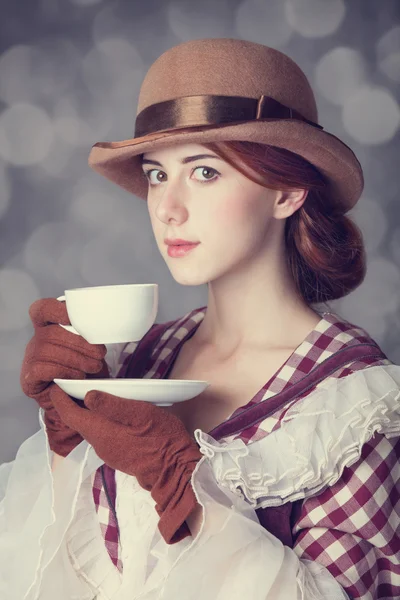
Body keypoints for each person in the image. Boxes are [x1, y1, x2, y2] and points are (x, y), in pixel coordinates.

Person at [1, 38, 399, 600]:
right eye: (157, 174)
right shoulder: (143, 358)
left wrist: (183, 488)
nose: (167, 207)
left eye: (205, 172)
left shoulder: (355, 406)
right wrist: (63, 441)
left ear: (287, 189)